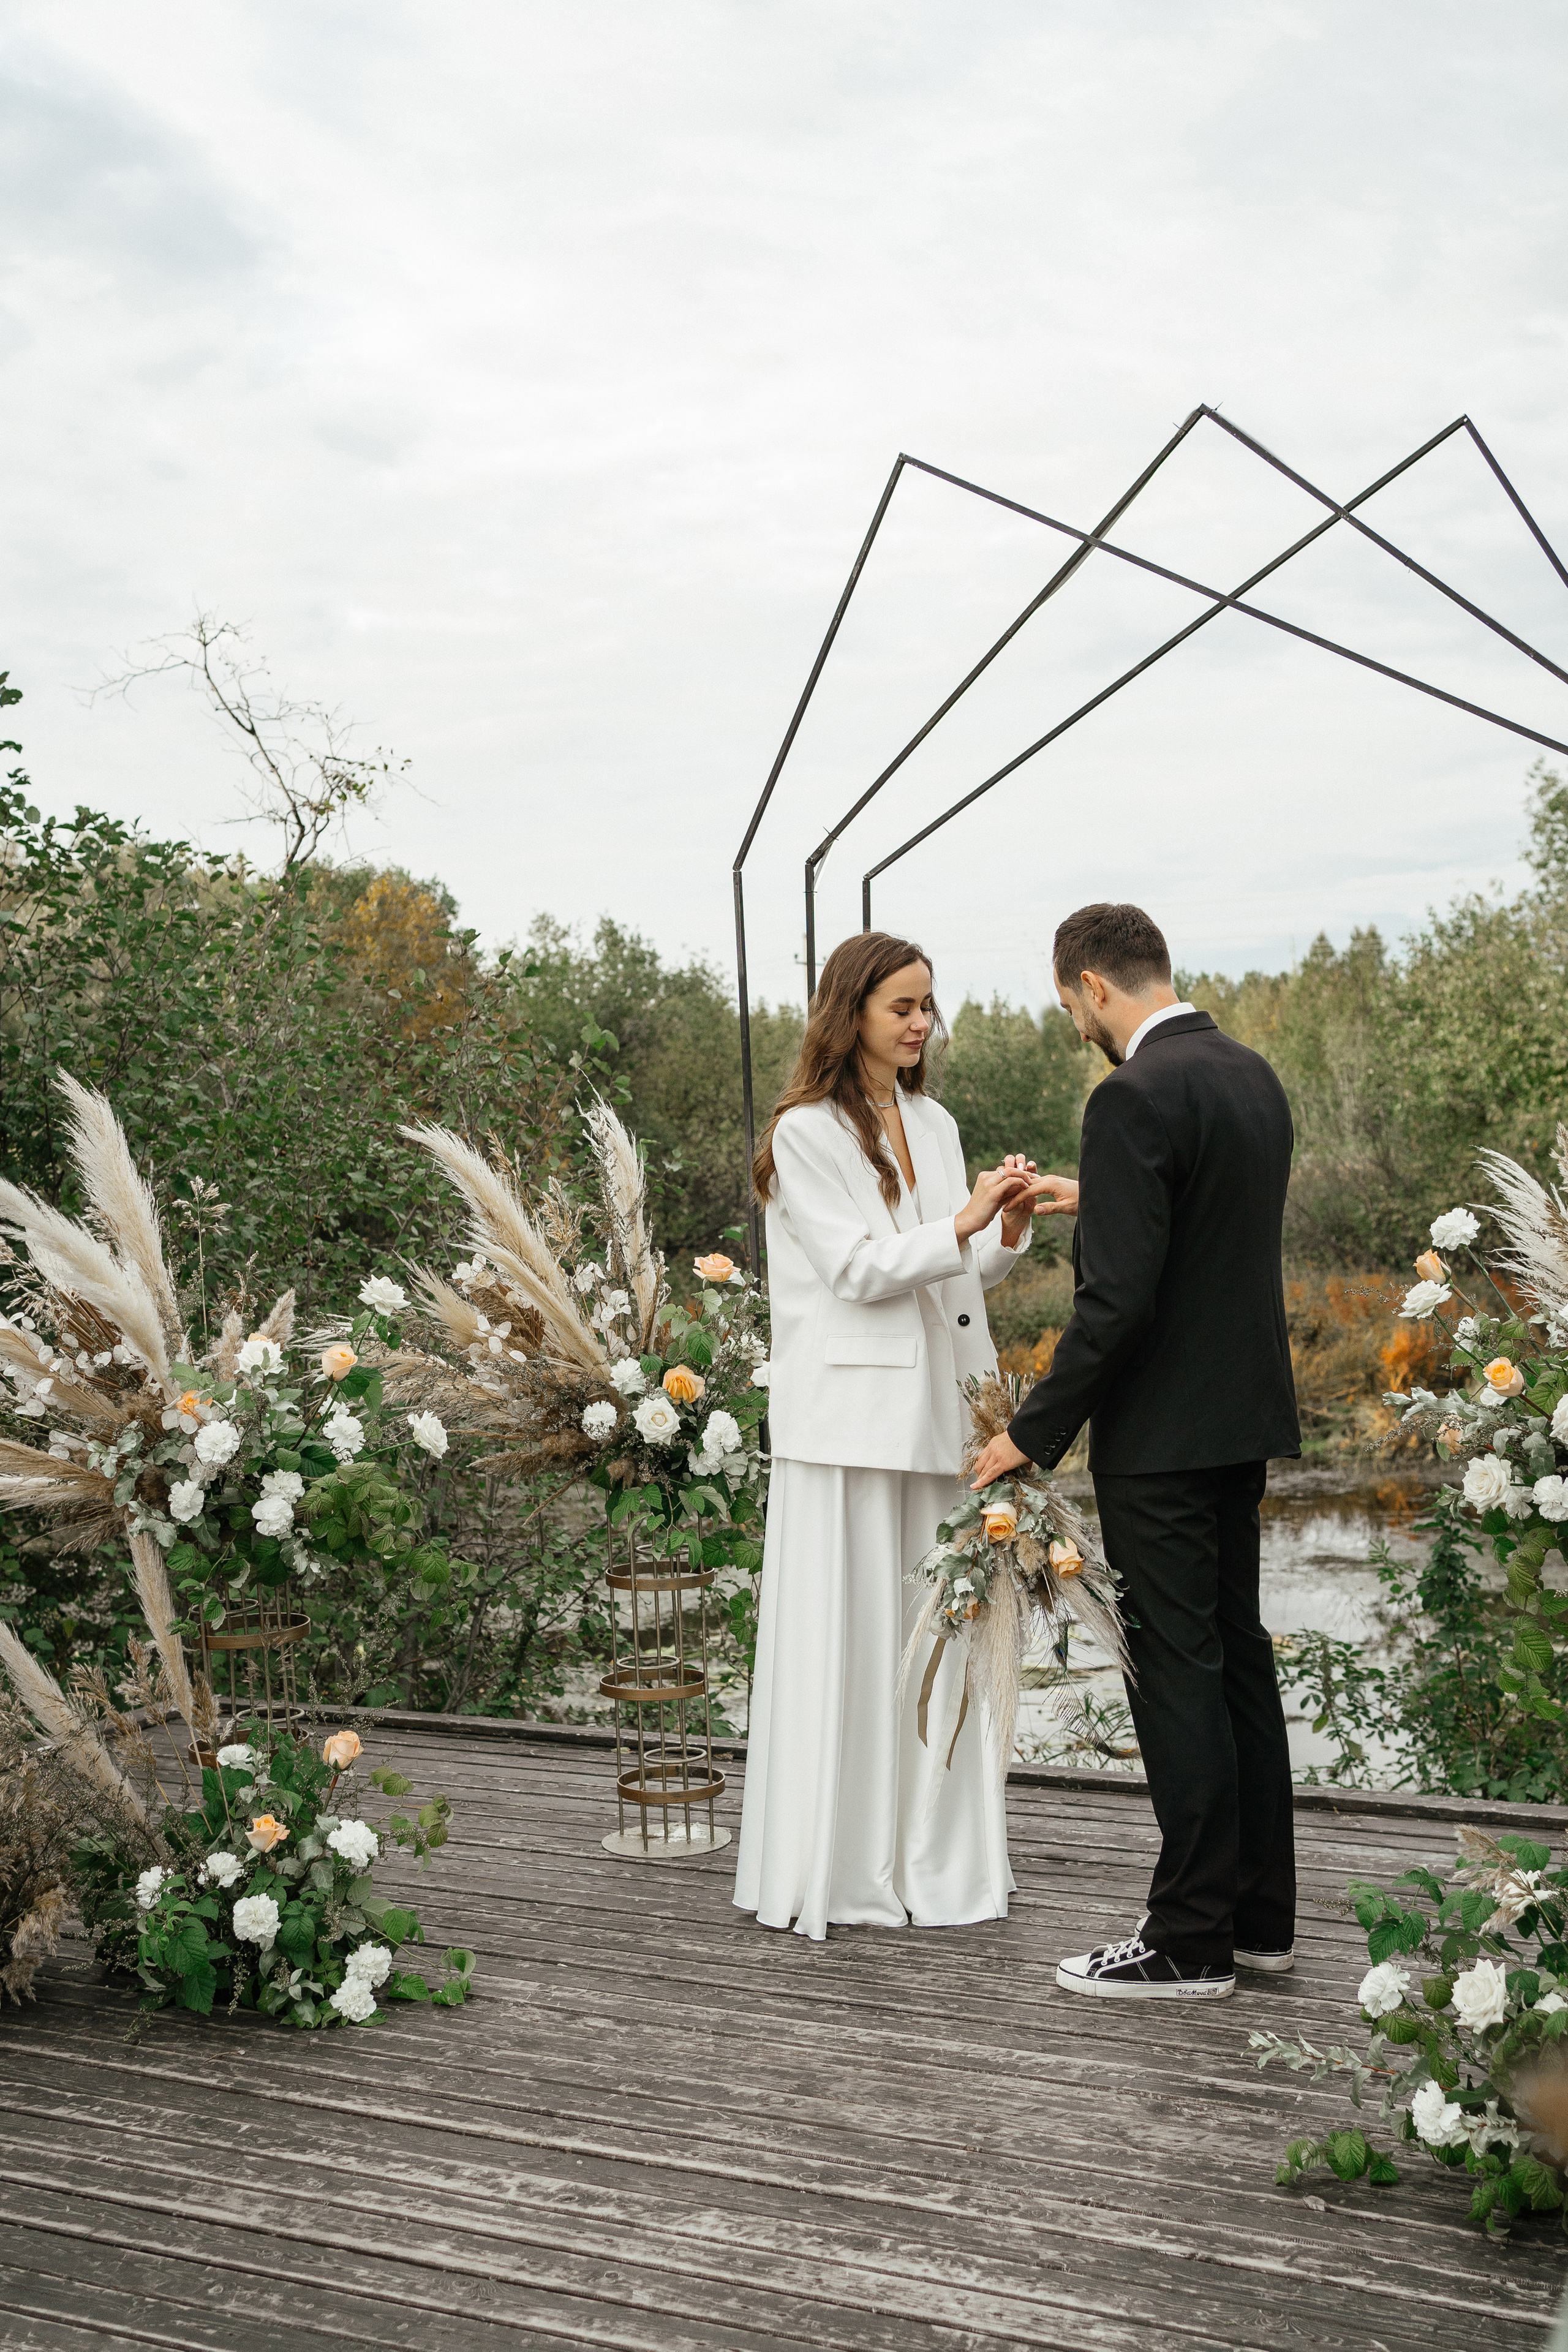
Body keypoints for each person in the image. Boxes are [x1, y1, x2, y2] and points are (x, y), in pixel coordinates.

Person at [970, 901, 1300, 2000]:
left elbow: (1116, 1306)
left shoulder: (1129, 1095)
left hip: (1161, 1439)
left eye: (1073, 1007)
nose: (1079, 1028)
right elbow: (1203, 1235)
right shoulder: (1250, 1075)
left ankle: (1188, 1940)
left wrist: (1030, 1433)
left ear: (1094, 986)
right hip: (1241, 1420)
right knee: (1236, 1659)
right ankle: (1258, 1920)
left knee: (1174, 1671)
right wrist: (1098, 1197)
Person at [733, 930, 1036, 1940]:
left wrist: (1005, 1232)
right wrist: (963, 1222)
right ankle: (843, 1865)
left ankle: (931, 1861)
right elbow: (858, 1270)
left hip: (943, 1415)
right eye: (902, 1006)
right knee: (853, 1643)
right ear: (850, 1010)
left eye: (927, 1005)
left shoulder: (935, 1121)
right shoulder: (803, 1133)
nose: (920, 1023)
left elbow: (955, 1274)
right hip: (848, 1428)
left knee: (933, 1637)